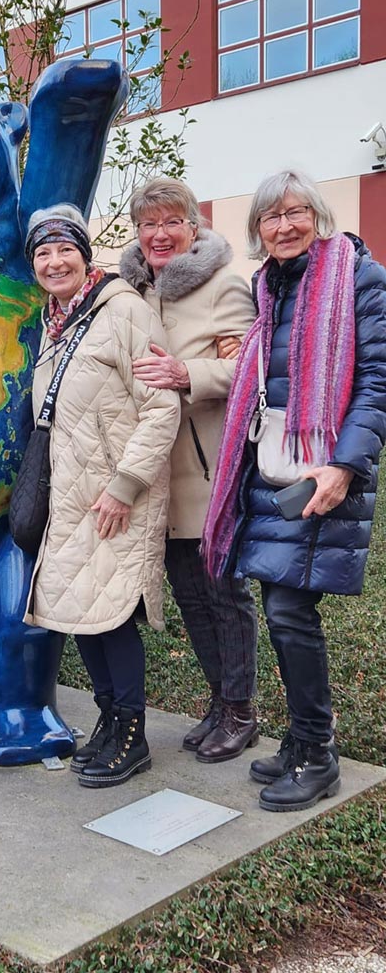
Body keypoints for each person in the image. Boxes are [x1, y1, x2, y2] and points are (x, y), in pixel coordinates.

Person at [202, 169, 386, 811]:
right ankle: (301, 738)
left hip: (322, 469)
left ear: (318, 215)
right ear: (257, 230)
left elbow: (375, 381)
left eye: (295, 212)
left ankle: (318, 753)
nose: (283, 226)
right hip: (273, 468)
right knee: (284, 612)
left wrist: (344, 467)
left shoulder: (357, 277)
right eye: (269, 217)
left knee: (288, 612)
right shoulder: (270, 285)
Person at [22, 204, 180, 788]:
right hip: (70, 495)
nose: (54, 261)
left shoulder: (123, 311)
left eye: (65, 249)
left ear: (86, 255)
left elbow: (161, 406)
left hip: (116, 496)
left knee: (112, 617)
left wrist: (125, 486)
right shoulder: (56, 320)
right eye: (42, 253)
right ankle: (110, 722)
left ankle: (131, 734)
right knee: (81, 613)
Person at [119, 177, 260, 763]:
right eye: (148, 225)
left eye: (171, 222)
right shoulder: (131, 293)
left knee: (224, 594)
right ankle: (218, 700)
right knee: (189, 597)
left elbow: (251, 371)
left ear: (193, 228)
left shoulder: (223, 285)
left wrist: (188, 374)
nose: (159, 234)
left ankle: (243, 710)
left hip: (210, 473)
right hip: (156, 475)